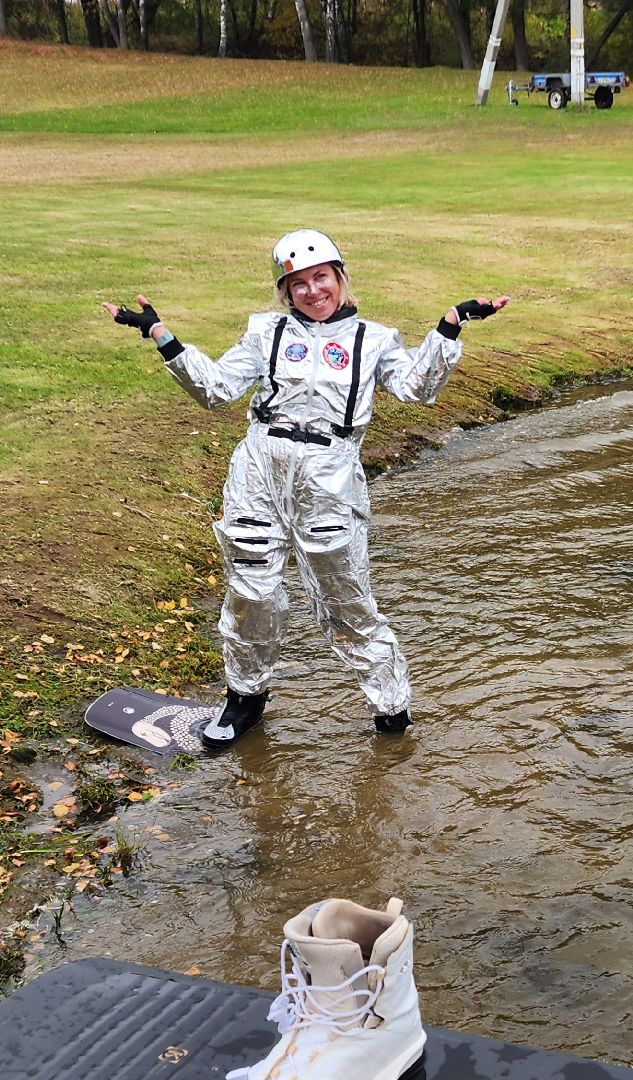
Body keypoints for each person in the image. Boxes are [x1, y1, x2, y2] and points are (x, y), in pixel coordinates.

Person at [104, 229, 508, 750]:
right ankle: (244, 699)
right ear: (285, 291)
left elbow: (417, 387)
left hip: (330, 479)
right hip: (258, 471)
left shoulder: (373, 340)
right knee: (251, 593)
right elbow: (217, 390)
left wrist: (449, 326)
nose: (313, 291)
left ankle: (391, 712)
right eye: (298, 283)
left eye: (321, 278)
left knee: (346, 600)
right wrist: (162, 336)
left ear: (340, 278)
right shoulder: (265, 332)